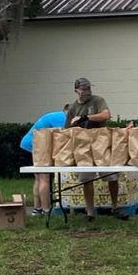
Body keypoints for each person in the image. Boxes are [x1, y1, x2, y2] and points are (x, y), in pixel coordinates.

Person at [65, 77, 113, 220]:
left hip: (101, 141)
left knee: (111, 175)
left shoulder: (97, 100)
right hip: (82, 146)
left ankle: (115, 207)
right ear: (76, 91)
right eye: (84, 89)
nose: (87, 91)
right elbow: (66, 130)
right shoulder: (73, 108)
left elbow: (106, 115)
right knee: (86, 178)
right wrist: (75, 124)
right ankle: (90, 212)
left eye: (88, 88)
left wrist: (86, 117)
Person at [20, 105, 69, 216]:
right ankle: (46, 210)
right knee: (44, 178)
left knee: (39, 178)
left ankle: (37, 209)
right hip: (36, 146)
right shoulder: (63, 119)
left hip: (27, 144)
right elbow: (63, 139)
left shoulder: (55, 115)